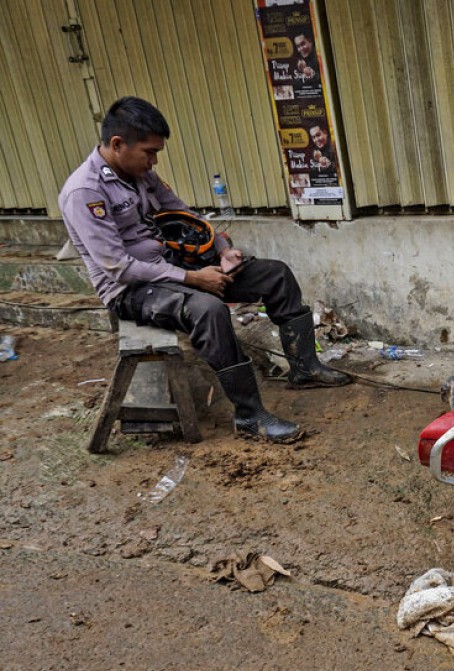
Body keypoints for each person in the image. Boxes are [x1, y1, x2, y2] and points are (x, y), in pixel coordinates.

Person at [59, 96, 350, 444]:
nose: (153, 161)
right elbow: (118, 267)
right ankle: (250, 417)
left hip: (173, 265)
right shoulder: (84, 191)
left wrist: (223, 251)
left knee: (275, 275)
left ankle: (305, 369)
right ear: (118, 144)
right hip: (131, 290)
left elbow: (183, 214)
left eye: (156, 155)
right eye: (149, 152)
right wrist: (193, 279)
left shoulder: (141, 173)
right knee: (208, 310)